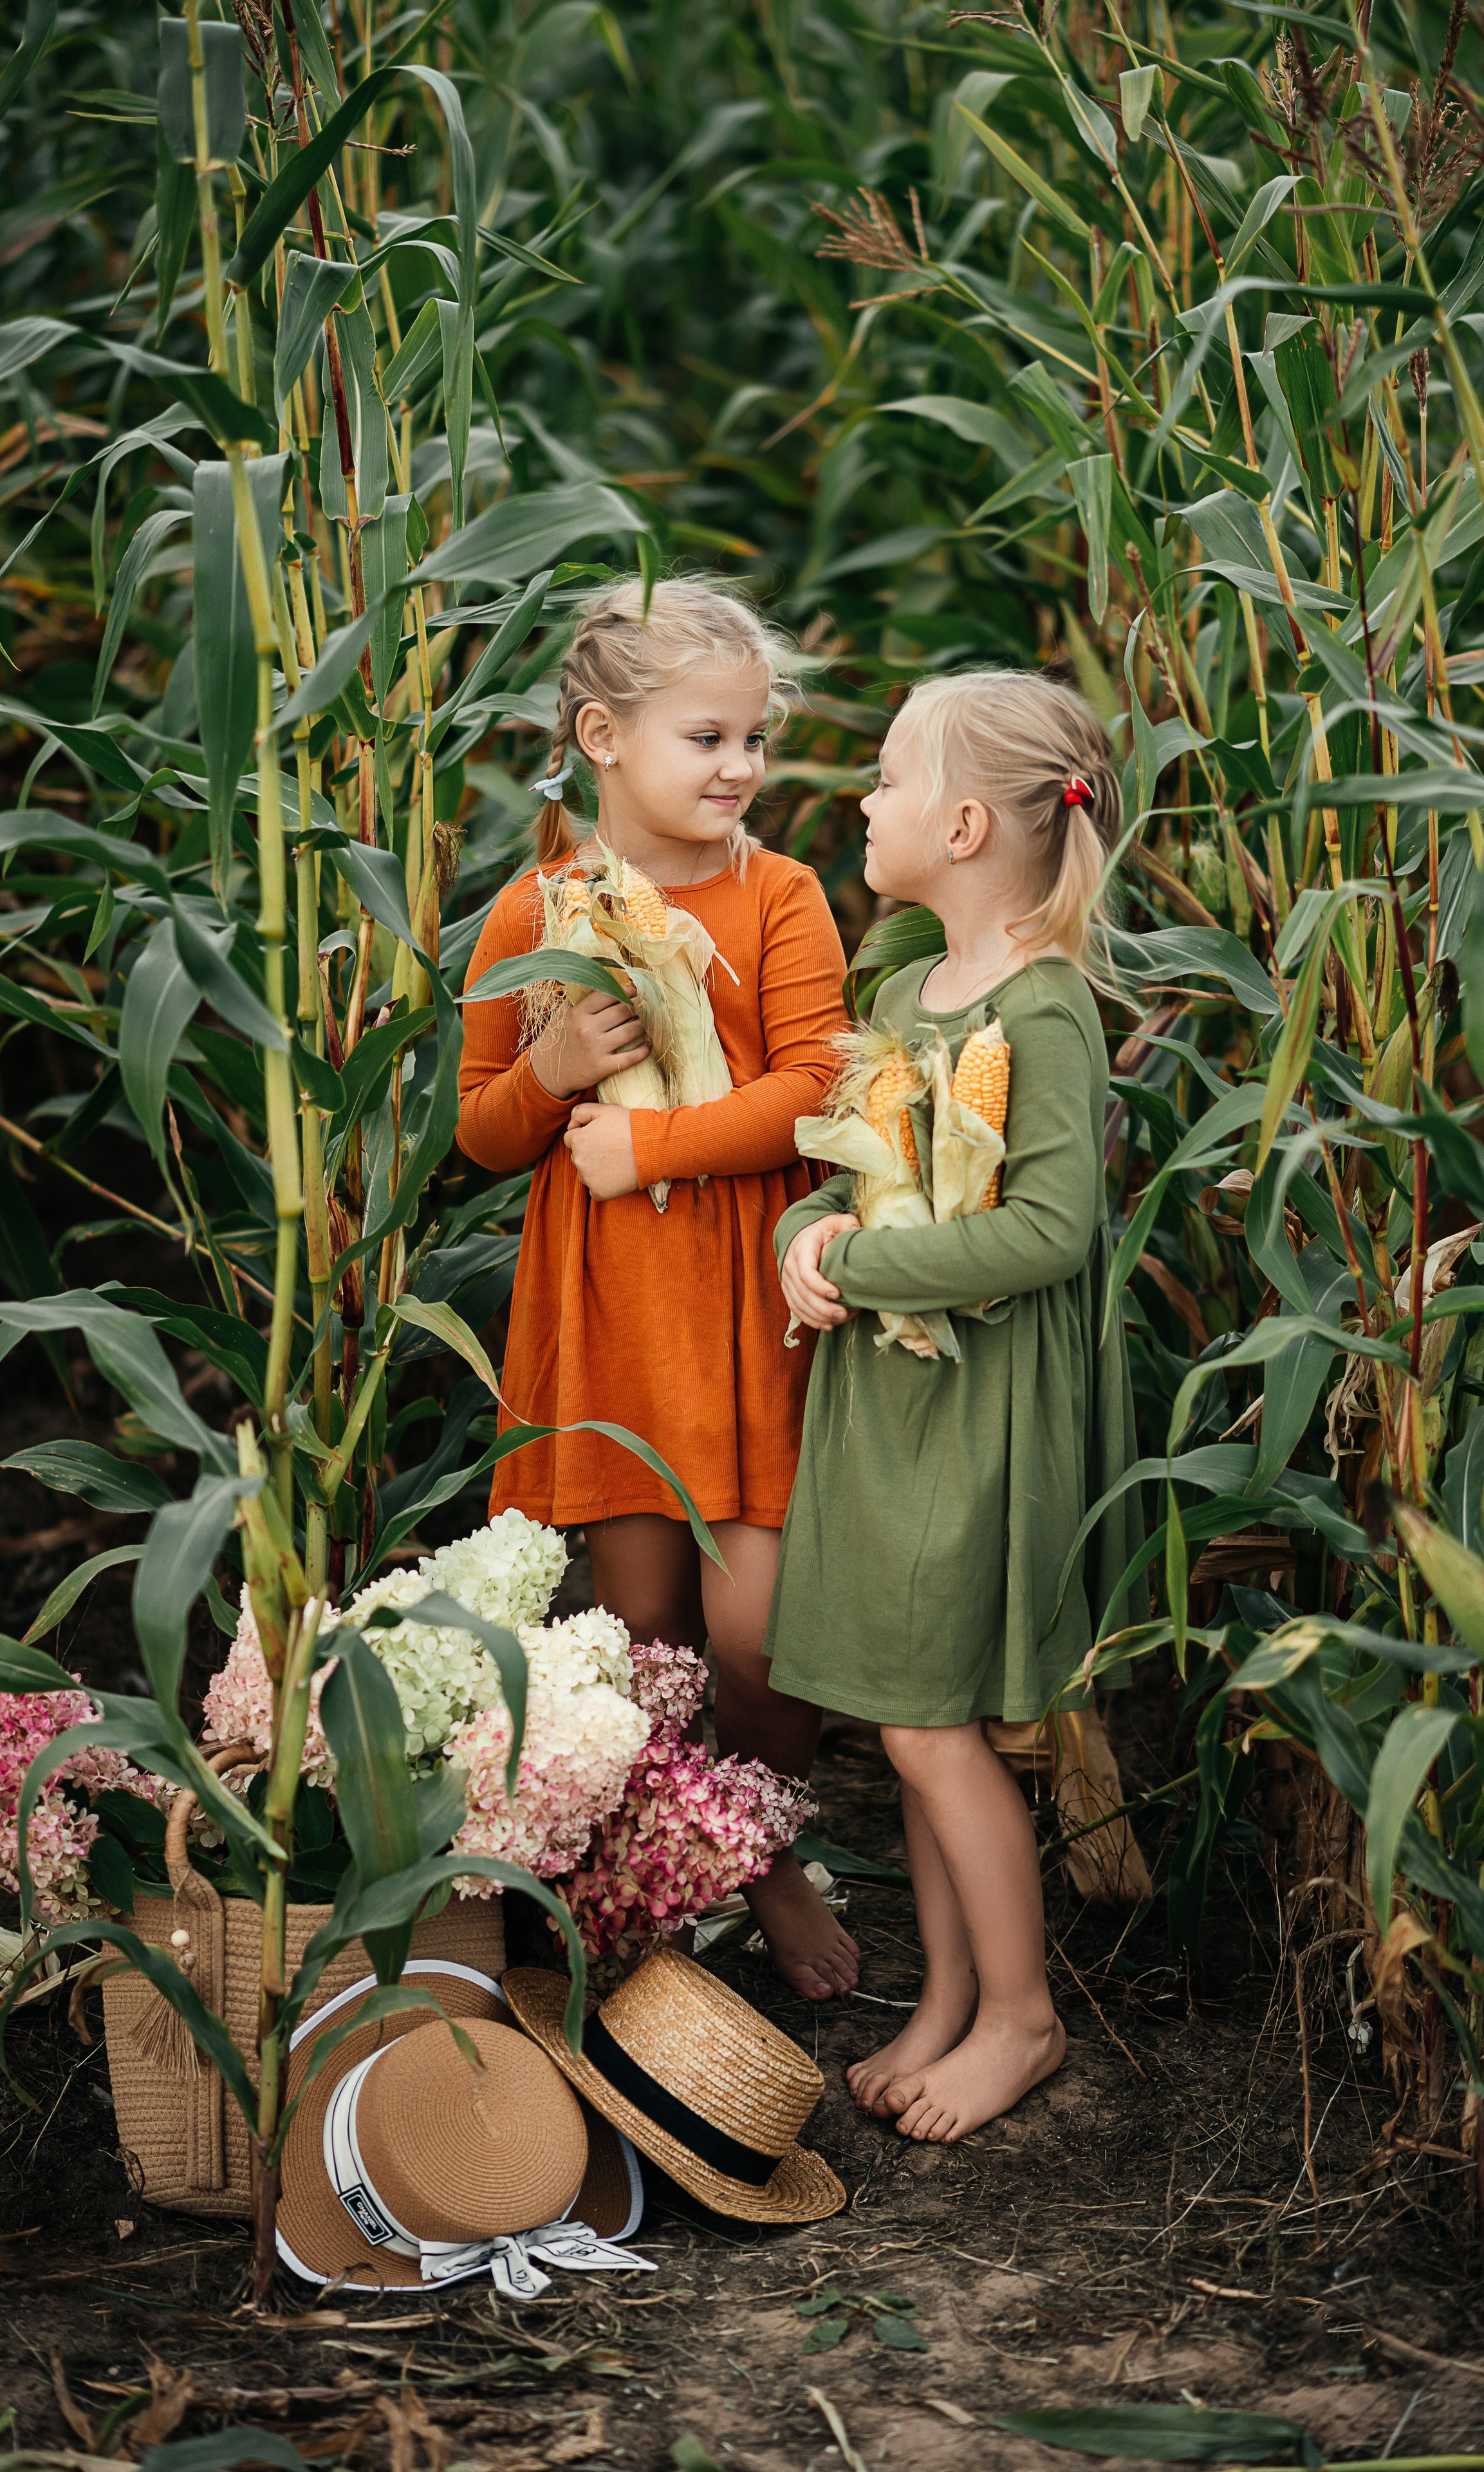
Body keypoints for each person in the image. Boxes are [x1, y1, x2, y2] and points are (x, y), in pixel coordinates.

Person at [458, 577, 859, 2000]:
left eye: (755, 740)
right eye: (707, 737)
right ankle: (706, 1874)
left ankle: (764, 1849)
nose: (740, 769)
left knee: (760, 1635)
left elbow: (820, 1086)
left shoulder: (780, 895)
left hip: (747, 1306)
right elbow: (482, 1130)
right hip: (616, 1315)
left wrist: (652, 1143)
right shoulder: (531, 911)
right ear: (601, 736)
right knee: (651, 1639)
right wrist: (554, 1077)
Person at [766, 669, 1146, 2140]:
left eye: (882, 776)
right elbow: (841, 1176)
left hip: (980, 1419)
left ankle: (1022, 2018)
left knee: (940, 1735)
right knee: (906, 1717)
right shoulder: (897, 994)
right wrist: (802, 1244)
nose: (861, 798)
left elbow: (1049, 1233)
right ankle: (945, 2001)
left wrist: (859, 1260)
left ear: (969, 821)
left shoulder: (1042, 1010)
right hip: (886, 1408)